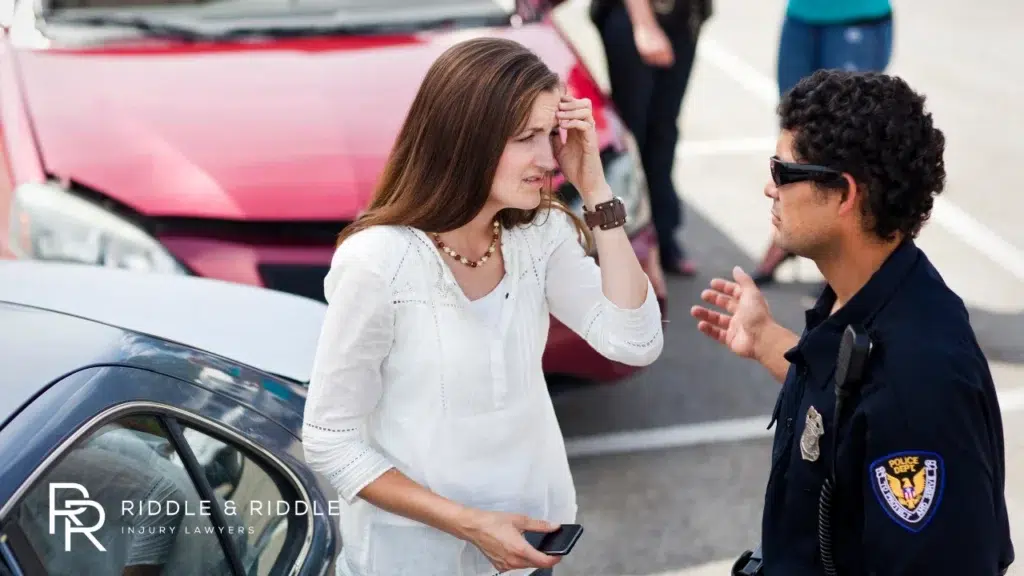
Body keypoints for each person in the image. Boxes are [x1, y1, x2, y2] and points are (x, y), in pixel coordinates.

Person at [302, 37, 664, 576]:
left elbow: (635, 343)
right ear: (464, 141)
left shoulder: (537, 235)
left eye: (551, 134)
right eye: (526, 138)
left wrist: (595, 190)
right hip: (411, 560)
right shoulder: (379, 261)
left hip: (526, 551)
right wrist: (468, 523)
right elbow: (331, 441)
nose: (548, 160)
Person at [691, 70, 1014, 575]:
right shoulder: (865, 293)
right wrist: (765, 339)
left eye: (783, 171)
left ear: (843, 194)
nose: (768, 188)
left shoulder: (920, 384)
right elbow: (845, 407)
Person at [751, 0, 894, 286]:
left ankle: (847, 252)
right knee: (794, 132)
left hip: (856, 15)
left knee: (848, 140)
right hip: (802, 14)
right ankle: (791, 230)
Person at [590, 0, 713, 276]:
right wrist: (643, 23)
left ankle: (663, 236)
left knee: (664, 130)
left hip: (684, 16)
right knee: (632, 134)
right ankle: (623, 242)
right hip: (636, 15)